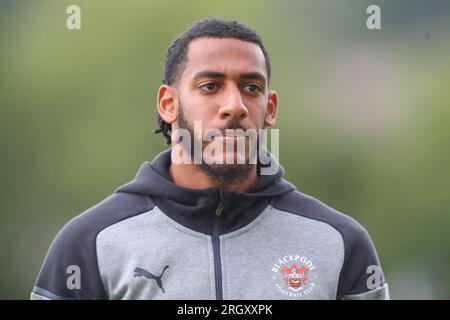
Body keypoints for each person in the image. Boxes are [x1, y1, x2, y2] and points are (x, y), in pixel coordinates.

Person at [31, 18, 389, 300]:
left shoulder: (340, 242)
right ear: (168, 104)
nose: (234, 106)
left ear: (271, 108)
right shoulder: (89, 242)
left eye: (251, 88)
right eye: (210, 86)